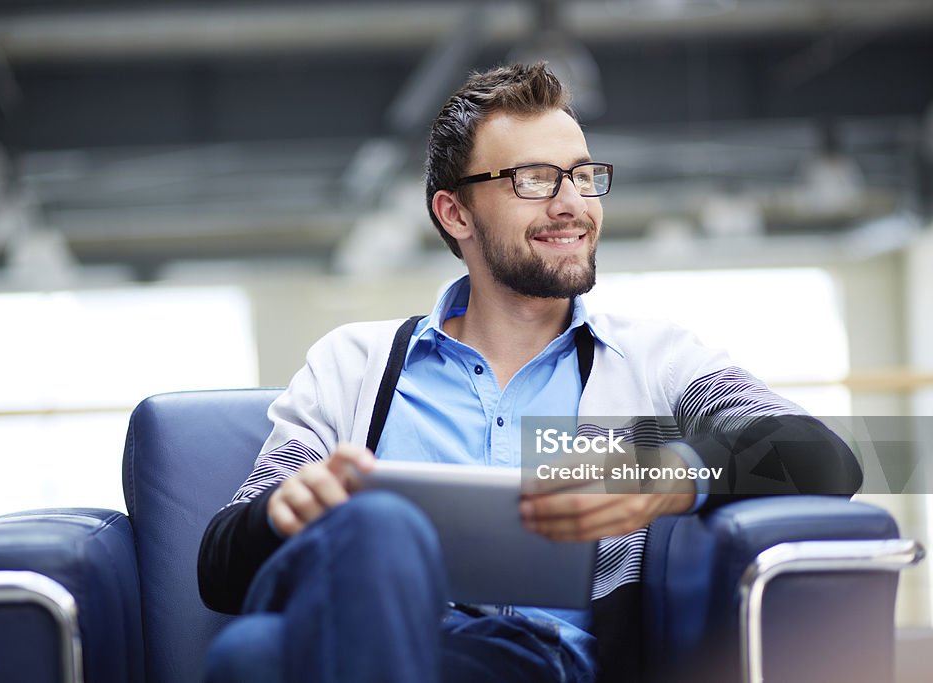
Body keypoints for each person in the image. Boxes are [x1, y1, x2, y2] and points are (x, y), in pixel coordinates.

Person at [197, 62, 860, 683]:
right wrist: (281, 515)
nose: (572, 202)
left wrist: (668, 472)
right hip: (349, 618)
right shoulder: (353, 364)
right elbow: (220, 563)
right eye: (535, 179)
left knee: (250, 657)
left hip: (529, 659)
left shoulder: (657, 359)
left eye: (581, 175)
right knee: (371, 534)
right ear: (456, 213)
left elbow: (824, 455)